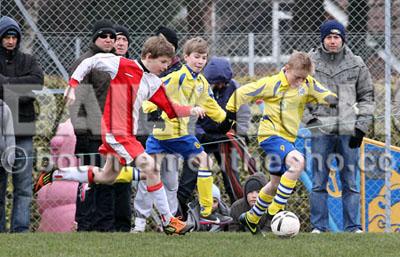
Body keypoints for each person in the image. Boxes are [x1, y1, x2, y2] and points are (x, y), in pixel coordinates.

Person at [35, 35, 205, 235]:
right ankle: (169, 221)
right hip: (116, 133)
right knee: (151, 168)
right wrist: (72, 85)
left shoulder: (153, 82)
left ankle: (54, 174)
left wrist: (191, 110)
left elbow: (170, 109)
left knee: (105, 177)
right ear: (149, 56)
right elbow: (90, 62)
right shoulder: (121, 64)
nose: (166, 67)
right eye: (163, 62)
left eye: (168, 62)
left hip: (127, 136)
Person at [226, 51, 337, 234]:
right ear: (287, 69)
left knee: (274, 184)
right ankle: (276, 210)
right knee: (297, 162)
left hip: (287, 140)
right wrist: (230, 114)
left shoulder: (307, 83)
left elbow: (324, 94)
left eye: (303, 78)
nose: (300, 82)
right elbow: (241, 93)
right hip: (270, 136)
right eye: (297, 77)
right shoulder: (272, 84)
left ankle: (252, 218)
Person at [144, 37, 231, 224]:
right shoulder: (178, 77)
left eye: (204, 57)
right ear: (186, 57)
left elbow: (211, 106)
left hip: (168, 134)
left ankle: (171, 220)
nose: (200, 61)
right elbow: (154, 91)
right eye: (196, 57)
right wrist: (149, 108)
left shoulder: (201, 83)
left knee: (146, 173)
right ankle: (206, 212)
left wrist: (227, 124)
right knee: (204, 160)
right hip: (172, 132)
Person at [304, 20, 374, 233]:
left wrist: (361, 127)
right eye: (328, 37)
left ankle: (353, 227)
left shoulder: (357, 63)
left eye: (336, 37)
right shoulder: (309, 63)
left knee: (350, 182)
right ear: (322, 39)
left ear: (343, 39)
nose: (333, 41)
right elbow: (297, 96)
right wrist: (310, 122)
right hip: (321, 131)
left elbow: (367, 97)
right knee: (318, 182)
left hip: (348, 130)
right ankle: (319, 227)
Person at [69, 19, 117, 232]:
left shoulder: (116, 62)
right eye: (103, 36)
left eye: (111, 37)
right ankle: (85, 224)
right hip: (91, 134)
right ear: (94, 38)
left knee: (107, 181)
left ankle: (105, 225)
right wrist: (82, 134)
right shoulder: (85, 62)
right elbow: (77, 102)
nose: (108, 40)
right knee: (88, 180)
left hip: (112, 133)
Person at [132, 26, 182, 232]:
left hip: (171, 133)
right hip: (151, 130)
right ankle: (140, 222)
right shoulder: (144, 71)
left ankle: (168, 222)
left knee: (170, 180)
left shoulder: (180, 73)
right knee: (147, 175)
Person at [0, 16, 44, 232]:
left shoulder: (28, 60)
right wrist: (20, 90)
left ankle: (20, 230)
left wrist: (6, 84)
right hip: (1, 133)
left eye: (13, 37)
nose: (10, 41)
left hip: (23, 130)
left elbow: (36, 83)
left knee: (24, 186)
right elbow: (27, 89)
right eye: (6, 37)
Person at [195, 56, 251, 204]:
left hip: (225, 138)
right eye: (216, 83)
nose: (220, 86)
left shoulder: (235, 88)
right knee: (193, 174)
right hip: (203, 139)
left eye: (223, 83)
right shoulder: (199, 87)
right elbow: (191, 117)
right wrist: (201, 135)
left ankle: (237, 211)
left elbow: (243, 113)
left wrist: (240, 132)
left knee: (231, 177)